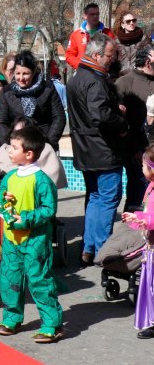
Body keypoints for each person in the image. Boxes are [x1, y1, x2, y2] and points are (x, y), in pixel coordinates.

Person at [0, 125, 63, 343]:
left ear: (29, 153)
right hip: (12, 240)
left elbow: (49, 209)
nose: (9, 151)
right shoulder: (11, 176)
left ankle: (52, 324)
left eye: (14, 148)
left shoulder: (41, 179)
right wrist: (5, 202)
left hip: (35, 241)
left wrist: (27, 218)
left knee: (39, 280)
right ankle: (12, 318)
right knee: (9, 278)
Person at [67, 33, 129, 265]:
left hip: (85, 148)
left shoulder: (78, 77)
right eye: (109, 56)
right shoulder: (94, 79)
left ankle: (89, 247)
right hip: (102, 149)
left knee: (95, 197)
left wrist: (114, 108)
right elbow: (100, 115)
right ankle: (103, 250)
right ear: (96, 55)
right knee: (108, 198)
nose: (112, 60)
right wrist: (121, 123)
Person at [0, 50, 66, 151]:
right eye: (18, 73)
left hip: (44, 145)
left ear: (33, 72)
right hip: (16, 147)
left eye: (25, 73)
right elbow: (1, 122)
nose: (21, 78)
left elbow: (59, 117)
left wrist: (48, 143)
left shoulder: (48, 88)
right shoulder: (6, 92)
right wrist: (10, 144)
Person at [115, 45, 154, 211]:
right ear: (148, 62)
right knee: (137, 195)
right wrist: (134, 150)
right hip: (136, 150)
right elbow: (118, 121)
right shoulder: (125, 83)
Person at [122, 144, 154, 339]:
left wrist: (146, 220)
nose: (141, 168)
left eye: (143, 165)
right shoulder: (150, 188)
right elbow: (149, 213)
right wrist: (137, 217)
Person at [65, 3, 115, 70]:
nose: (95, 16)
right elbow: (69, 56)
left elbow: (114, 53)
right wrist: (81, 66)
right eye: (92, 14)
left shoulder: (108, 33)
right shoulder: (76, 35)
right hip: (83, 71)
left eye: (97, 14)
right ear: (85, 16)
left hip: (102, 71)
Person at [114, 11, 151, 77]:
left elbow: (149, 57)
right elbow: (113, 61)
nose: (131, 23)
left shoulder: (143, 38)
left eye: (134, 20)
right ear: (122, 24)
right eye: (128, 21)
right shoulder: (116, 41)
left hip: (139, 75)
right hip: (122, 76)